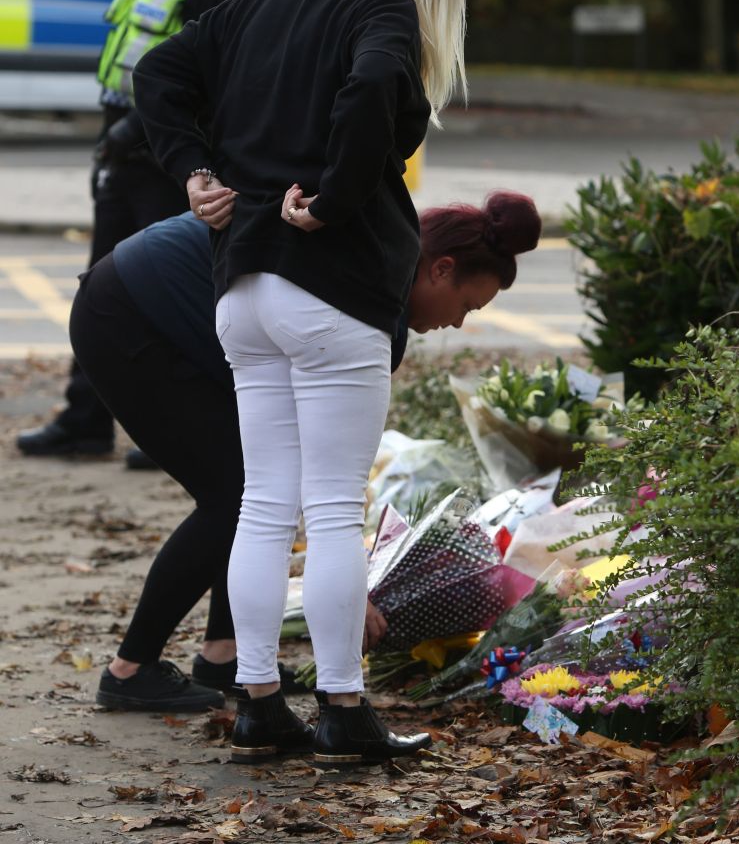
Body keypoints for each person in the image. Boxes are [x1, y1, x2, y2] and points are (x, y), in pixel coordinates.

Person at [133, 0, 475, 766]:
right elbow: (368, 95)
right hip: (331, 291)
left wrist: (190, 170)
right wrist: (334, 194)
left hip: (241, 288)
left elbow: (157, 73)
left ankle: (256, 701)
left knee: (261, 501)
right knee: (330, 508)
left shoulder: (261, 1)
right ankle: (344, 708)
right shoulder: (387, 11)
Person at [71, 188, 541, 729]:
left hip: (171, 307)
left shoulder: (376, 261)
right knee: (235, 495)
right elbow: (329, 475)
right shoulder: (369, 298)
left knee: (257, 483)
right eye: (466, 306)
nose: (457, 324)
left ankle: (225, 656)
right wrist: (346, 585)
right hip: (130, 312)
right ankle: (131, 669)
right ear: (441, 269)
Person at [17, 0, 252, 463]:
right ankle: (86, 421)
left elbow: (204, 85)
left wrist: (136, 136)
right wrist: (115, 138)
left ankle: (179, 425)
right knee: (99, 287)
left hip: (170, 163)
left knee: (167, 295)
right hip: (125, 154)